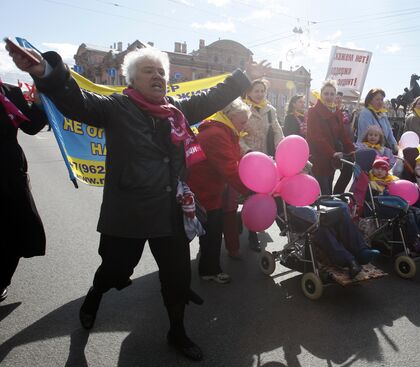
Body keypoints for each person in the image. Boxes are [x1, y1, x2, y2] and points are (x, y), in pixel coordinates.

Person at [9, 45, 256, 361]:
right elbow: (75, 101)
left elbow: (212, 97)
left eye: (162, 72)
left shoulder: (176, 110)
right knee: (115, 269)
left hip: (170, 212)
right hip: (130, 212)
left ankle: (177, 331)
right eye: (149, 71)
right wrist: (46, 72)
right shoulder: (115, 107)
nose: (158, 77)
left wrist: (244, 75)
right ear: (132, 79)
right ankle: (95, 297)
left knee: (177, 276)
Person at [188, 99, 252, 283]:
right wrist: (250, 191)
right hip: (204, 190)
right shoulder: (218, 134)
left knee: (209, 231)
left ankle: (205, 266)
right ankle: (210, 271)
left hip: (207, 188)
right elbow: (230, 168)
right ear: (230, 117)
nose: (244, 126)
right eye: (242, 122)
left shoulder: (224, 131)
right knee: (212, 232)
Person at [1, 81, 48, 303]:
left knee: (17, 227)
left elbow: (30, 126)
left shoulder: (10, 92)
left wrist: (39, 103)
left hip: (9, 171)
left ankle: (2, 280)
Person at [240, 78, 284, 251]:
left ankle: (283, 225)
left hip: (266, 160)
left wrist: (281, 149)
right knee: (251, 196)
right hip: (249, 159)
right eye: (256, 90)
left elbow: (277, 132)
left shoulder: (270, 110)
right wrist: (247, 151)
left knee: (274, 193)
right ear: (249, 92)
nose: (259, 94)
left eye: (262, 91)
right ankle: (252, 234)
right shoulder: (242, 109)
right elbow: (237, 135)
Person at [367, 157, 420, 253]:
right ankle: (415, 243)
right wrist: (384, 188)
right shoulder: (372, 183)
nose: (379, 171)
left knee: (418, 211)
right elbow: (375, 197)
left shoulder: (393, 180)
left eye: (383, 169)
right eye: (377, 168)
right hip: (385, 206)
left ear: (387, 171)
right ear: (372, 169)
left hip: (399, 204)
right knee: (408, 214)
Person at [306, 80, 355, 195]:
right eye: (326, 93)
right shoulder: (313, 111)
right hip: (319, 157)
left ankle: (337, 198)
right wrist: (332, 152)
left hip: (332, 157)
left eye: (332, 94)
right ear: (321, 94)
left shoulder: (337, 112)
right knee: (323, 192)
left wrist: (352, 149)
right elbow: (316, 136)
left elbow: (343, 134)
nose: (329, 97)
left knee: (330, 186)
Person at [356, 88, 398, 153]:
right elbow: (367, 134)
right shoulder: (365, 113)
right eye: (377, 99)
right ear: (370, 101)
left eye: (382, 99)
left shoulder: (383, 114)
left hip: (381, 150)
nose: (380, 102)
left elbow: (389, 132)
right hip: (367, 150)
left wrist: (395, 145)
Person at [333, 91, 355, 194]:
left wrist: (355, 114)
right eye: (336, 98)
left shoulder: (345, 112)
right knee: (330, 174)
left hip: (345, 145)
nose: (338, 100)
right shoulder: (330, 112)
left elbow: (350, 125)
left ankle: (338, 193)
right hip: (333, 147)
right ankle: (329, 197)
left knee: (347, 170)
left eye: (340, 99)